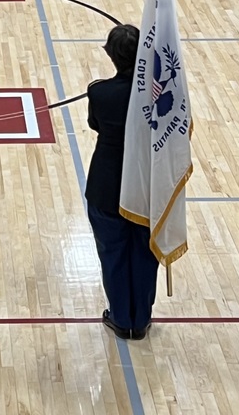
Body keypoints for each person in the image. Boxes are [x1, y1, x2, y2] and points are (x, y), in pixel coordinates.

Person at [85, 23, 159, 342]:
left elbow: (94, 124)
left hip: (106, 182)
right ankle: (140, 318)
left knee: (112, 251)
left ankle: (120, 316)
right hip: (146, 182)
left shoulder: (99, 92)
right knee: (144, 249)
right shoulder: (158, 95)